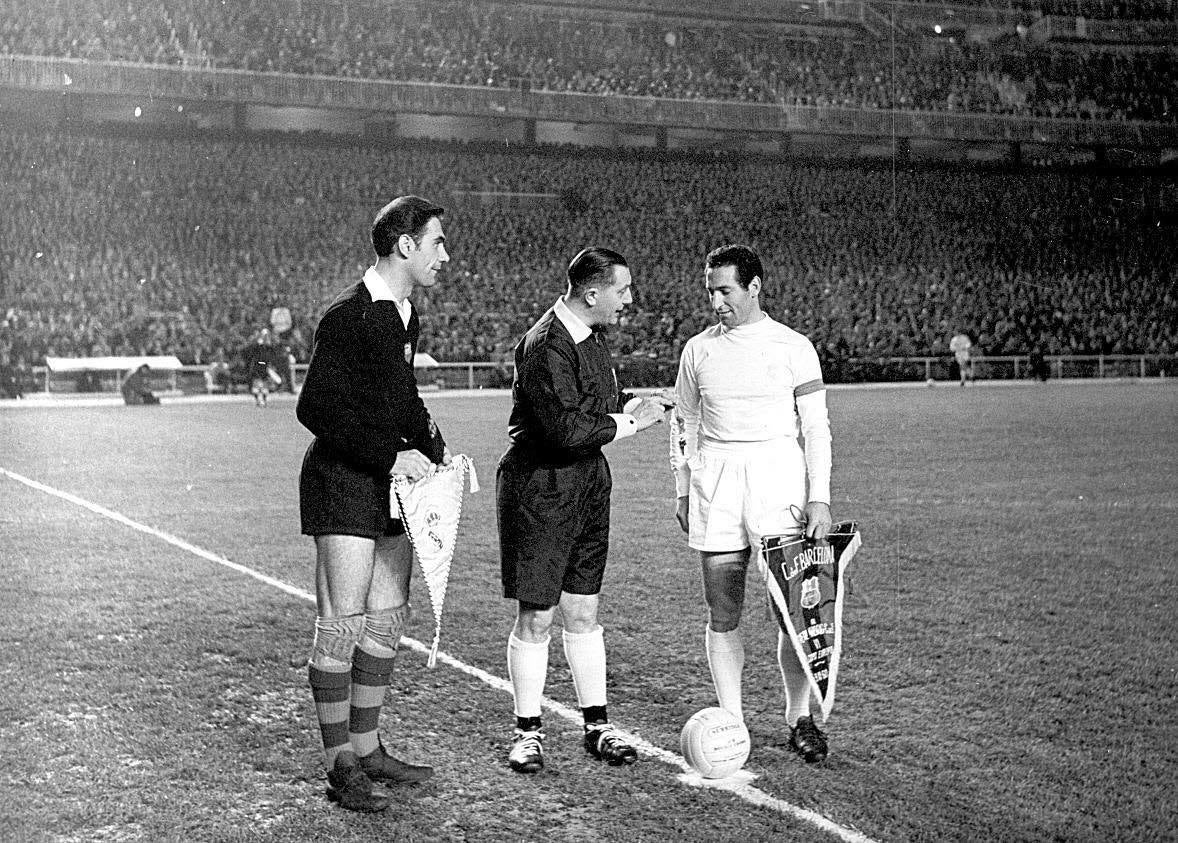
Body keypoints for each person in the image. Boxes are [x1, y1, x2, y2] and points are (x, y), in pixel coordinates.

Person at [295, 195, 452, 812]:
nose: (445, 253)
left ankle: (367, 746)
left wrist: (435, 447)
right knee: (344, 620)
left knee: (388, 616)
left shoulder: (405, 314)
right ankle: (340, 764)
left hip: (391, 486)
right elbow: (315, 409)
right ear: (405, 246)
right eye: (437, 241)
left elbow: (400, 397)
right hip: (343, 481)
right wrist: (390, 456)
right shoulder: (348, 317)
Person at [497, 247, 672, 774]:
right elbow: (565, 430)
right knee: (537, 615)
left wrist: (638, 403)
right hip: (542, 487)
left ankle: (597, 724)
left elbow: (601, 405)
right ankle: (527, 732)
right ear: (592, 293)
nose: (630, 299)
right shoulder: (545, 343)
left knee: (584, 610)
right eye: (623, 290)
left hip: (588, 483)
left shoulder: (591, 339)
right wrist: (634, 423)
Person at [670, 244, 835, 763]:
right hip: (716, 483)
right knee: (723, 609)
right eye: (710, 291)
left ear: (755, 286)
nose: (716, 301)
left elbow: (816, 428)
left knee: (791, 612)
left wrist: (819, 499)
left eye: (725, 290)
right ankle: (732, 723)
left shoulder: (793, 346)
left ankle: (798, 716)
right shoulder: (698, 350)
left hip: (777, 481)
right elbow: (685, 422)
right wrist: (681, 486)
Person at [244, 328, 280, 406]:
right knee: (256, 385)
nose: (266, 337)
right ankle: (257, 400)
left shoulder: (269, 346)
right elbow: (251, 354)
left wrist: (271, 365)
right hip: (257, 366)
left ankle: (263, 400)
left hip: (264, 366)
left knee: (264, 385)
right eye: (265, 335)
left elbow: (272, 356)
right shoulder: (257, 345)